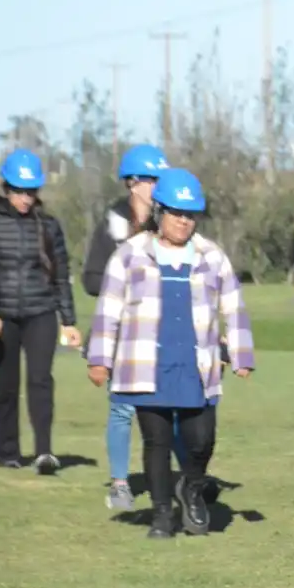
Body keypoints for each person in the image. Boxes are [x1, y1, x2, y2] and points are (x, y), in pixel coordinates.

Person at [86, 169, 254, 539]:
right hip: (146, 363)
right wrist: (99, 358)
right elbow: (108, 309)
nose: (183, 221)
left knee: (202, 439)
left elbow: (233, 306)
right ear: (160, 212)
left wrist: (241, 354)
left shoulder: (212, 257)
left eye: (190, 214)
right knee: (156, 441)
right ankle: (162, 515)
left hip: (197, 365)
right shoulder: (130, 255)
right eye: (176, 213)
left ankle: (191, 486)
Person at [0, 149, 80, 472]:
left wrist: (69, 320)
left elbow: (61, 273)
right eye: (19, 190)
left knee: (40, 379)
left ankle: (44, 451)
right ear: (7, 188)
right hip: (2, 317)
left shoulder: (48, 226)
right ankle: (7, 452)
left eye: (30, 191)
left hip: (41, 312)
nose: (25, 198)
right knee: (7, 384)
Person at [82, 143, 169, 509]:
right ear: (133, 183)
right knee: (123, 408)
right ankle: (120, 484)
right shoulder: (114, 223)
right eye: (153, 181)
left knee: (171, 406)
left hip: (161, 328)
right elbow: (90, 278)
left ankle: (181, 480)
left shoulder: (170, 220)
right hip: (121, 330)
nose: (158, 188)